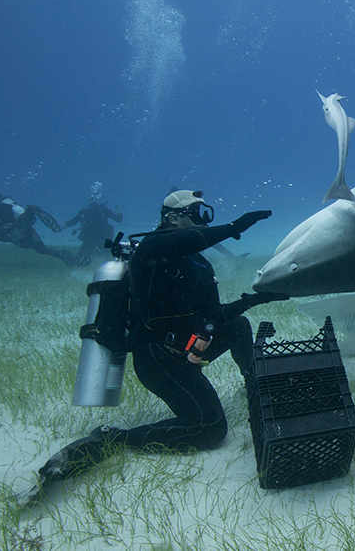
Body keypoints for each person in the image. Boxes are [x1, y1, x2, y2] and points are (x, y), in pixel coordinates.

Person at [27, 190, 288, 501]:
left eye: (206, 213)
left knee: (238, 325)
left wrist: (253, 301)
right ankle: (113, 439)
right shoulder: (150, 250)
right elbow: (180, 243)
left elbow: (213, 316)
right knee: (210, 429)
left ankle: (254, 385)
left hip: (189, 349)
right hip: (158, 359)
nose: (204, 219)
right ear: (173, 217)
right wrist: (234, 227)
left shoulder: (199, 263)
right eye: (198, 212)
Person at [0, 194, 74, 267]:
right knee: (41, 248)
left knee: (25, 244)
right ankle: (60, 254)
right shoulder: (7, 209)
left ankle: (61, 255)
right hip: (25, 227)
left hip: (13, 231)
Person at [63, 182, 124, 267]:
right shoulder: (85, 212)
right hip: (89, 238)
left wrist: (119, 213)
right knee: (81, 255)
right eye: (91, 199)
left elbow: (118, 220)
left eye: (95, 199)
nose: (93, 201)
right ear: (88, 200)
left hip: (102, 238)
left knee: (109, 255)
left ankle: (102, 258)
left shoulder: (103, 210)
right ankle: (78, 266)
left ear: (98, 200)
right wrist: (66, 224)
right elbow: (74, 220)